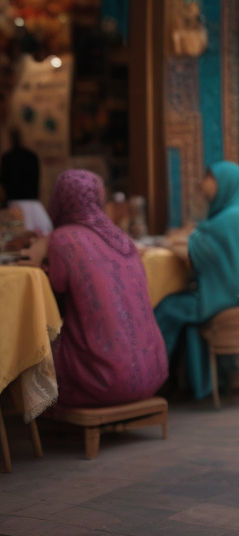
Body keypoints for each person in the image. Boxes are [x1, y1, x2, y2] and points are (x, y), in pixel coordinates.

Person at [15, 170, 167, 406]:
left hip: (102, 381)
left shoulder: (63, 239)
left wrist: (41, 254)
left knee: (27, 347)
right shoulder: (121, 237)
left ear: (60, 199)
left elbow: (56, 290)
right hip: (153, 375)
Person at [153, 161, 239, 400]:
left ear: (225, 183)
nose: (203, 183)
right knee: (186, 318)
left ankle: (150, 376)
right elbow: (197, 236)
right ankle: (196, 385)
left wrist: (167, 242)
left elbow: (190, 250)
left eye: (209, 177)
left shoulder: (230, 218)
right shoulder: (238, 210)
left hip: (227, 302)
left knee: (167, 309)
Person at [0, 128, 40, 201]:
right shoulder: (32, 157)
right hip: (30, 199)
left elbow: (4, 180)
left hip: (13, 199)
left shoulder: (7, 157)